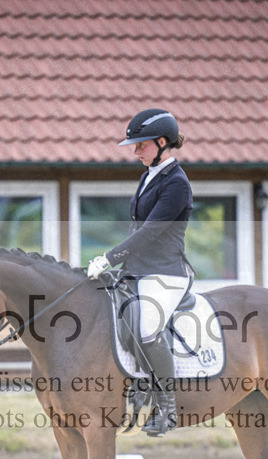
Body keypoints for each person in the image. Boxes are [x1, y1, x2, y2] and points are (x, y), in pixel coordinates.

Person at [86, 108, 193, 436]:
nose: (135, 151)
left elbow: (150, 232)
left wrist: (109, 258)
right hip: (139, 270)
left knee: (147, 329)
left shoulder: (177, 183)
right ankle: (139, 384)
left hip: (165, 273)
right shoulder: (149, 175)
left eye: (141, 145)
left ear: (161, 142)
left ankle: (168, 409)